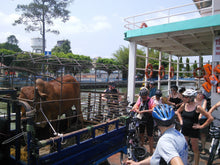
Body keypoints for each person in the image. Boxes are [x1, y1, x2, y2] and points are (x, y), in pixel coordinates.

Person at [176, 89, 213, 165]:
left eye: (186, 97)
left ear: (191, 98)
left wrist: (201, 126)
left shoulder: (198, 107)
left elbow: (210, 118)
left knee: (195, 148)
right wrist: (181, 121)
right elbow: (178, 112)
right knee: (184, 148)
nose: (184, 98)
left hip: (193, 130)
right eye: (184, 97)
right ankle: (184, 162)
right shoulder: (184, 105)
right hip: (185, 129)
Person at [132, 87, 154, 154]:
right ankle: (142, 148)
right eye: (142, 97)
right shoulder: (140, 99)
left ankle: (151, 151)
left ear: (147, 96)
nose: (143, 98)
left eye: (144, 97)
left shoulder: (151, 100)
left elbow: (153, 109)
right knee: (141, 134)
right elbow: (136, 106)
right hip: (142, 119)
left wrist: (145, 111)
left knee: (150, 136)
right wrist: (136, 109)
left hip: (149, 118)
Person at [194, 89, 208, 155]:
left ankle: (203, 148)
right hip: (195, 118)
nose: (200, 95)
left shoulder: (204, 101)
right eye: (198, 94)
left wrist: (200, 115)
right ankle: (195, 147)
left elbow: (203, 109)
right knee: (194, 134)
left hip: (203, 118)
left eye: (201, 94)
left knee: (203, 134)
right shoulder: (193, 101)